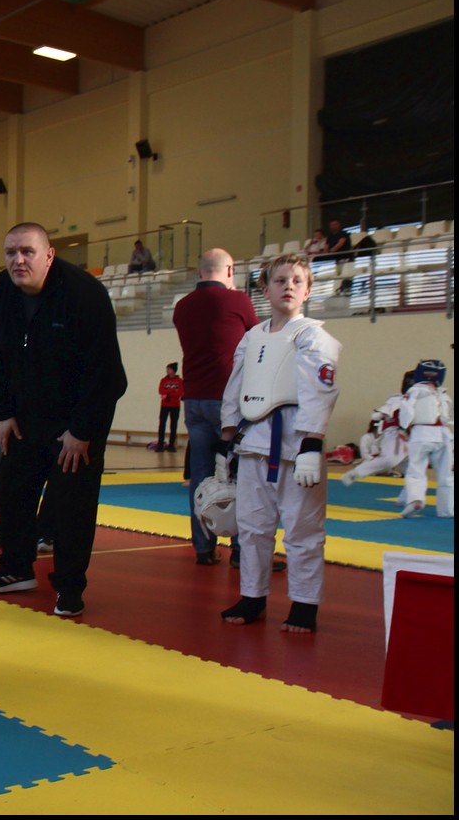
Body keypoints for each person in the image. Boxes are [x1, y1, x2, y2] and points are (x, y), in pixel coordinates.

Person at [0, 222, 127, 618]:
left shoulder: (84, 294)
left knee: (72, 503)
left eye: (27, 251)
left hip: (79, 416)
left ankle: (70, 587)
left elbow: (106, 373)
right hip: (25, 414)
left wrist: (82, 431)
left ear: (49, 255)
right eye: (10, 252)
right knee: (15, 488)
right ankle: (15, 569)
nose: (18, 260)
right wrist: (3, 412)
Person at [220, 254, 341, 634]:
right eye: (280, 280)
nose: (288, 286)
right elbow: (236, 388)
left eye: (297, 281)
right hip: (253, 441)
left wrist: (312, 444)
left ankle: (304, 603)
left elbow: (321, 392)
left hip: (296, 443)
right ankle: (253, 596)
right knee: (252, 527)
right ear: (264, 288)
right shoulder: (252, 336)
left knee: (303, 531)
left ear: (308, 291)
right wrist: (227, 439)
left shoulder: (313, 336)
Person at [173, 248, 260, 566]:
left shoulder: (182, 306)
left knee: (200, 475)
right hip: (227, 400)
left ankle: (203, 547)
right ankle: (240, 549)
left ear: (200, 272)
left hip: (194, 400)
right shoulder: (238, 301)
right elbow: (257, 337)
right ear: (230, 271)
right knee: (237, 473)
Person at [398, 359, 453, 519]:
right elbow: (446, 417)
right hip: (443, 434)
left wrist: (404, 426)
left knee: (416, 470)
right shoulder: (443, 394)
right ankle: (447, 510)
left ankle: (415, 499)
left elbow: (406, 411)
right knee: (446, 474)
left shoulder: (414, 391)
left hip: (421, 433)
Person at [342, 371, 414, 486]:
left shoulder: (425, 401)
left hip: (413, 437)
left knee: (413, 470)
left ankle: (411, 494)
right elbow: (386, 410)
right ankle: (356, 472)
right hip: (396, 434)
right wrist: (380, 414)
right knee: (390, 460)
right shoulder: (398, 400)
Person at [155, 362, 183, 453]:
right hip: (164, 405)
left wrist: (167, 393)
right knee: (162, 424)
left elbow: (180, 393)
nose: (167, 370)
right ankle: (160, 445)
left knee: (173, 426)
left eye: (169, 369)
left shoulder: (179, 381)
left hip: (175, 406)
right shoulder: (163, 380)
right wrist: (173, 390)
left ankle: (171, 446)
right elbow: (161, 391)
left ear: (174, 370)